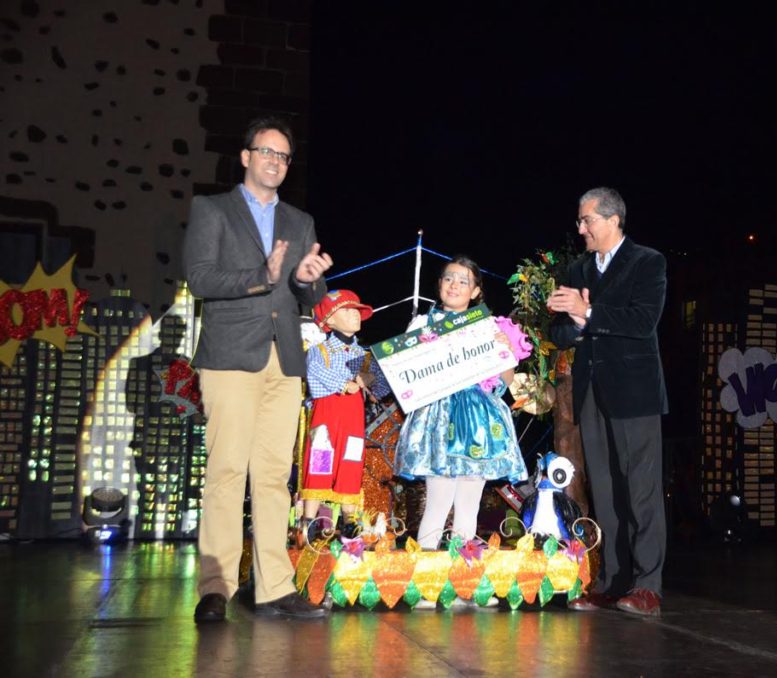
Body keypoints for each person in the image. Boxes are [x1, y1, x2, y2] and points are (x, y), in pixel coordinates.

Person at [184, 115, 333, 622]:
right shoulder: (213, 210)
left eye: (284, 156)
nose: (275, 161)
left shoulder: (300, 220)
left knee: (273, 475)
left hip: (285, 358)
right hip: (231, 354)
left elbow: (310, 298)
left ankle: (274, 587)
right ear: (246, 157)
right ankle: (216, 588)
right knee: (226, 470)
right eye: (266, 152)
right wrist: (261, 275)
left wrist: (309, 281)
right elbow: (200, 277)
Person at [546, 186, 668, 617]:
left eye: (588, 221)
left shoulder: (648, 262)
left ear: (614, 220)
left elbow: (643, 321)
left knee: (641, 491)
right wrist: (575, 321)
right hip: (591, 393)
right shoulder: (578, 268)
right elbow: (559, 332)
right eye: (580, 221)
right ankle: (613, 582)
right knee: (606, 489)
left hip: (635, 393)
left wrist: (590, 314)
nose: (581, 229)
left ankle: (647, 585)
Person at [394, 257, 529, 559]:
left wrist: (501, 349)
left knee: (469, 504)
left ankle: (461, 581)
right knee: (438, 502)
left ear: (476, 292)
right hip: (437, 419)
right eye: (448, 279)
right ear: (439, 284)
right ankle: (427, 584)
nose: (454, 285)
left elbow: (504, 382)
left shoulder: (489, 327)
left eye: (463, 281)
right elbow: (405, 374)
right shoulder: (422, 325)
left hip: (478, 421)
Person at [299, 289, 390, 537]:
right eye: (347, 310)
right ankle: (308, 521)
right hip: (327, 416)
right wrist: (347, 383)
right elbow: (316, 374)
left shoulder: (367, 355)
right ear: (328, 320)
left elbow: (379, 387)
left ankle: (350, 521)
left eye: (357, 310)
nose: (355, 315)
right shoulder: (321, 350)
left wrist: (372, 381)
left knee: (351, 460)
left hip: (353, 419)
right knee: (320, 459)